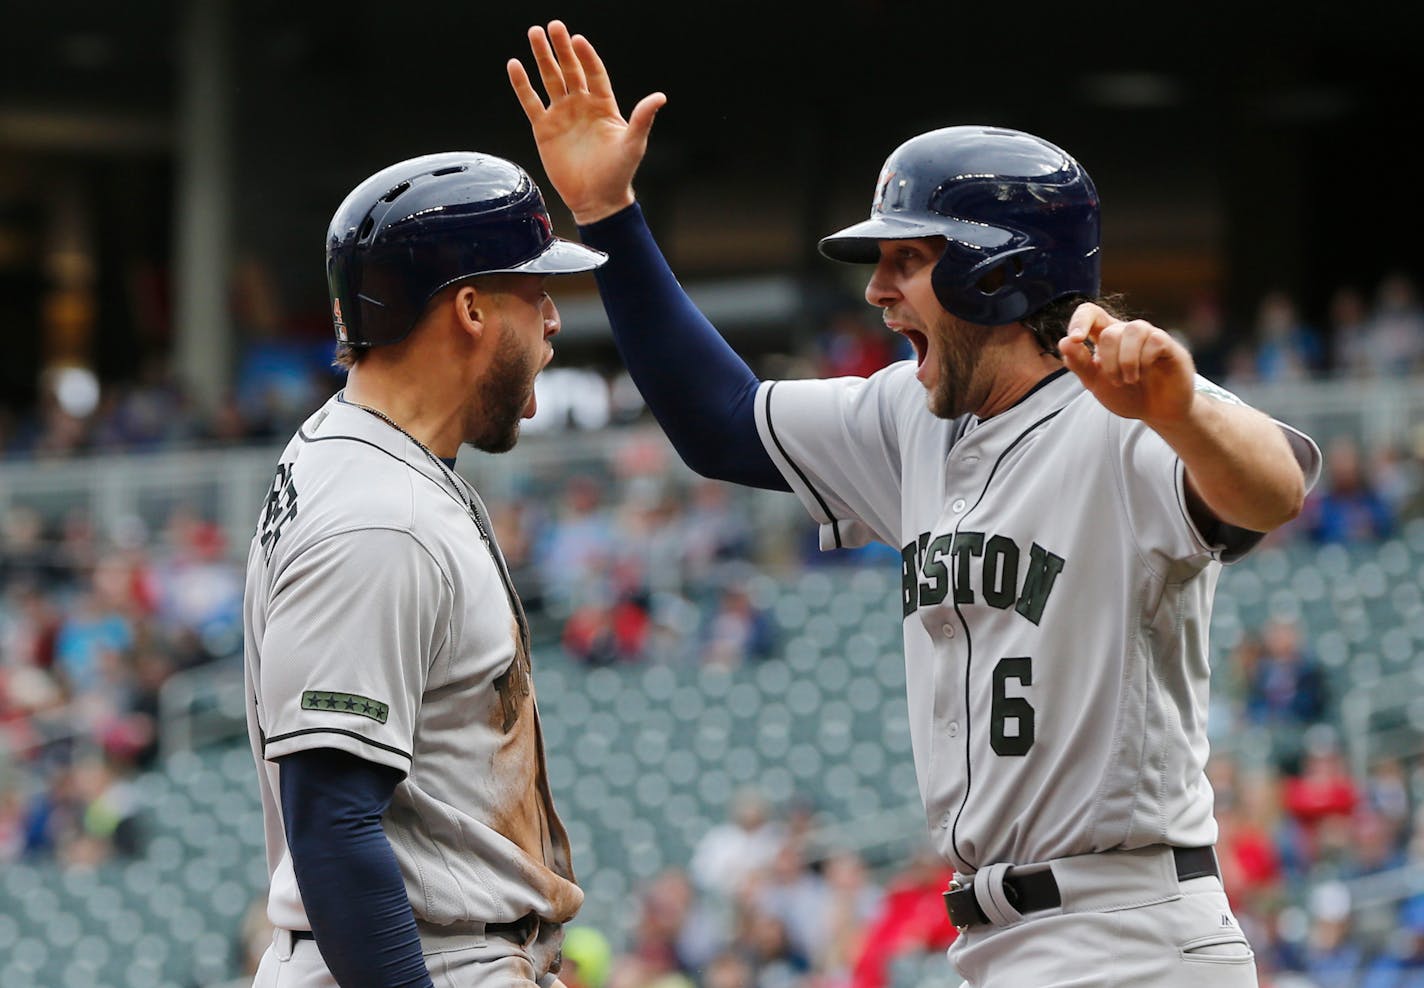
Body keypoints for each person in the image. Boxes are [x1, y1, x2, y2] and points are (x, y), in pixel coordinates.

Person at [507, 22, 1322, 987]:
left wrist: (1182, 411)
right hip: (998, 939)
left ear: (998, 271)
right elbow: (720, 421)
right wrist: (609, 214)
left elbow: (1270, 492)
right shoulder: (911, 416)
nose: (880, 291)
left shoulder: (1126, 404)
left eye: (907, 259)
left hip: (1129, 932)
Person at [241, 151, 606, 988]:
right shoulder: (379, 518)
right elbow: (333, 821)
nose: (553, 319)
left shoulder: (374, 461)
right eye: (536, 292)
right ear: (471, 308)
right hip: (422, 960)